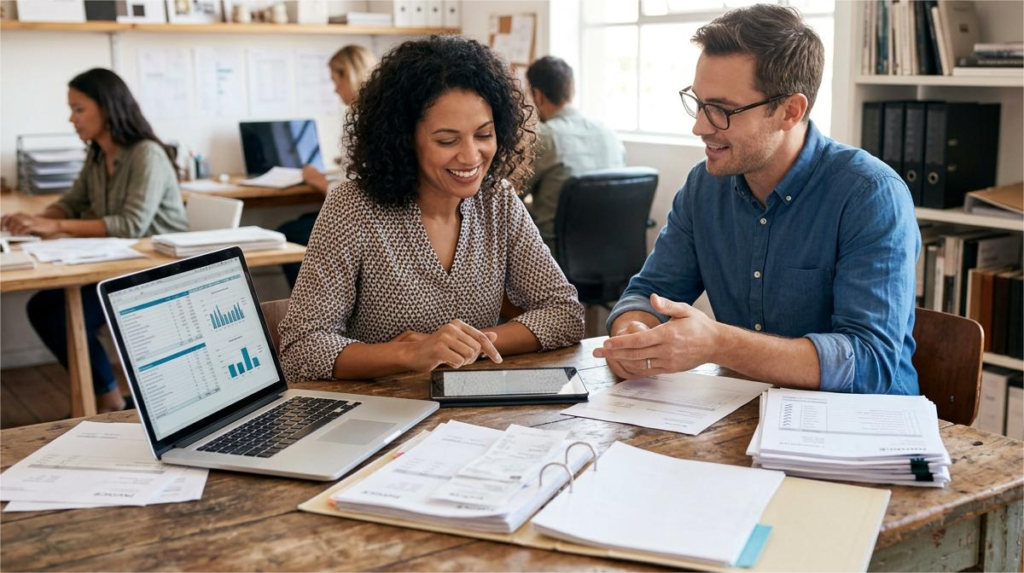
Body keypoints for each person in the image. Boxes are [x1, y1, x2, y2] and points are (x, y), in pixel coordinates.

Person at [594, 5, 920, 396]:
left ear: (789, 111)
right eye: (698, 103)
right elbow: (648, 292)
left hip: (864, 432)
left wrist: (718, 343)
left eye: (722, 110)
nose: (699, 126)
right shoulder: (704, 186)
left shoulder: (870, 195)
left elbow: (869, 362)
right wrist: (635, 332)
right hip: (748, 412)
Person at [278, 35, 585, 382]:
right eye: (447, 140)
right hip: (380, 415)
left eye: (483, 135)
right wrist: (409, 353)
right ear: (404, 140)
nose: (470, 156)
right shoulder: (353, 208)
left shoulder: (496, 200)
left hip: (471, 411)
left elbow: (565, 313)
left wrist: (465, 345)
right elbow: (301, 349)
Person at [1, 68, 188, 412]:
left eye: (78, 108)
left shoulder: (146, 154)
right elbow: (73, 202)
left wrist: (53, 226)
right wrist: (34, 221)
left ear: (107, 107)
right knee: (45, 307)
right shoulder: (99, 154)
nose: (71, 118)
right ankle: (109, 398)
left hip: (158, 268)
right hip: (117, 262)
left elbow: (131, 224)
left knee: (54, 312)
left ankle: (107, 399)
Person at [278, 45, 378, 287]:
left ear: (349, 75)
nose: (335, 89)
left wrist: (317, 180)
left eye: (335, 81)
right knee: (303, 219)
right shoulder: (376, 113)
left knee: (288, 232)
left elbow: (353, 196)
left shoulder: (361, 118)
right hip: (371, 217)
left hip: (365, 220)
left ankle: (308, 298)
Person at [522, 55, 625, 252]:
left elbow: (510, 195)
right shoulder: (608, 133)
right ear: (572, 90)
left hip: (556, 254)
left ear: (538, 95)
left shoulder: (544, 137)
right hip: (613, 250)